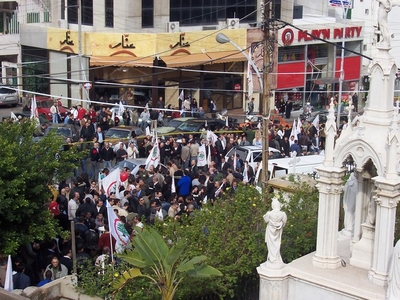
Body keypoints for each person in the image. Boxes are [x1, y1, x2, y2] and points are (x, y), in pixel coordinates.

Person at [263, 197, 287, 267]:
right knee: (276, 244)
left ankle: (272, 258)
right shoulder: (282, 214)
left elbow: (265, 220)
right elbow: (284, 222)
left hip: (270, 231)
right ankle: (275, 258)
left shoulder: (269, 214)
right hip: (278, 231)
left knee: (271, 245)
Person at [342, 173, 358, 237]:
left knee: (351, 211)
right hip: (349, 201)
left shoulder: (356, 182)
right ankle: (349, 228)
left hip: (352, 201)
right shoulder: (351, 179)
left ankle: (350, 228)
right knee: (348, 211)